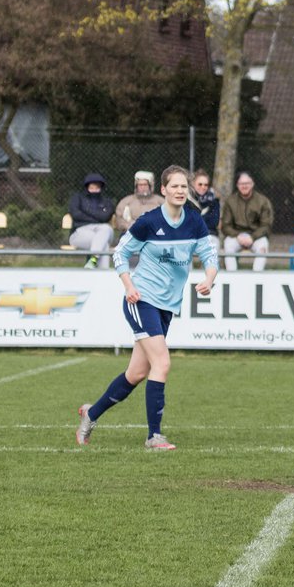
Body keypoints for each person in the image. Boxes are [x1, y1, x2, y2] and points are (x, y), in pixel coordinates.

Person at [75, 165, 218, 451]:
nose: (179, 191)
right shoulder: (149, 221)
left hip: (167, 305)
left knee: (136, 374)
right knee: (162, 364)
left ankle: (91, 414)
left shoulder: (194, 220)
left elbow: (209, 253)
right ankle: (154, 436)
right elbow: (121, 253)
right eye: (174, 186)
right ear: (163, 190)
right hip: (142, 300)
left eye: (183, 187)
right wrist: (129, 286)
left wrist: (210, 279)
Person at [220, 171, 273, 271]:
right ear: (237, 185)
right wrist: (237, 236)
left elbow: (266, 225)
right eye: (241, 184)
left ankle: (257, 277)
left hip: (256, 236)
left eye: (247, 183)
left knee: (263, 245)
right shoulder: (230, 201)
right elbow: (225, 226)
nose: (244, 186)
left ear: (252, 184)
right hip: (236, 236)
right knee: (228, 244)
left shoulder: (263, 201)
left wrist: (252, 237)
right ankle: (232, 277)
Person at [68, 172, 116, 268]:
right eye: (92, 187)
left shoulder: (107, 201)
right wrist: (97, 216)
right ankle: (102, 273)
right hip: (80, 232)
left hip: (103, 231)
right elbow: (76, 214)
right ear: (86, 187)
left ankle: (93, 260)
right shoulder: (77, 198)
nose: (94, 190)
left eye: (97, 187)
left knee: (106, 228)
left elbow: (105, 217)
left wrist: (86, 211)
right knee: (104, 244)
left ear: (101, 187)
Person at [113, 170, 163, 235]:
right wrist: (128, 226)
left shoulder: (160, 201)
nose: (143, 187)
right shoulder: (126, 201)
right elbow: (119, 219)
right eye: (140, 185)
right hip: (131, 233)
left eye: (145, 185)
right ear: (136, 186)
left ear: (150, 186)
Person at [189, 168, 220, 235]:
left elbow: (214, 223)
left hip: (209, 234)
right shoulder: (187, 200)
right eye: (200, 184)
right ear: (193, 184)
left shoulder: (214, 201)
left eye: (206, 185)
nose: (203, 187)